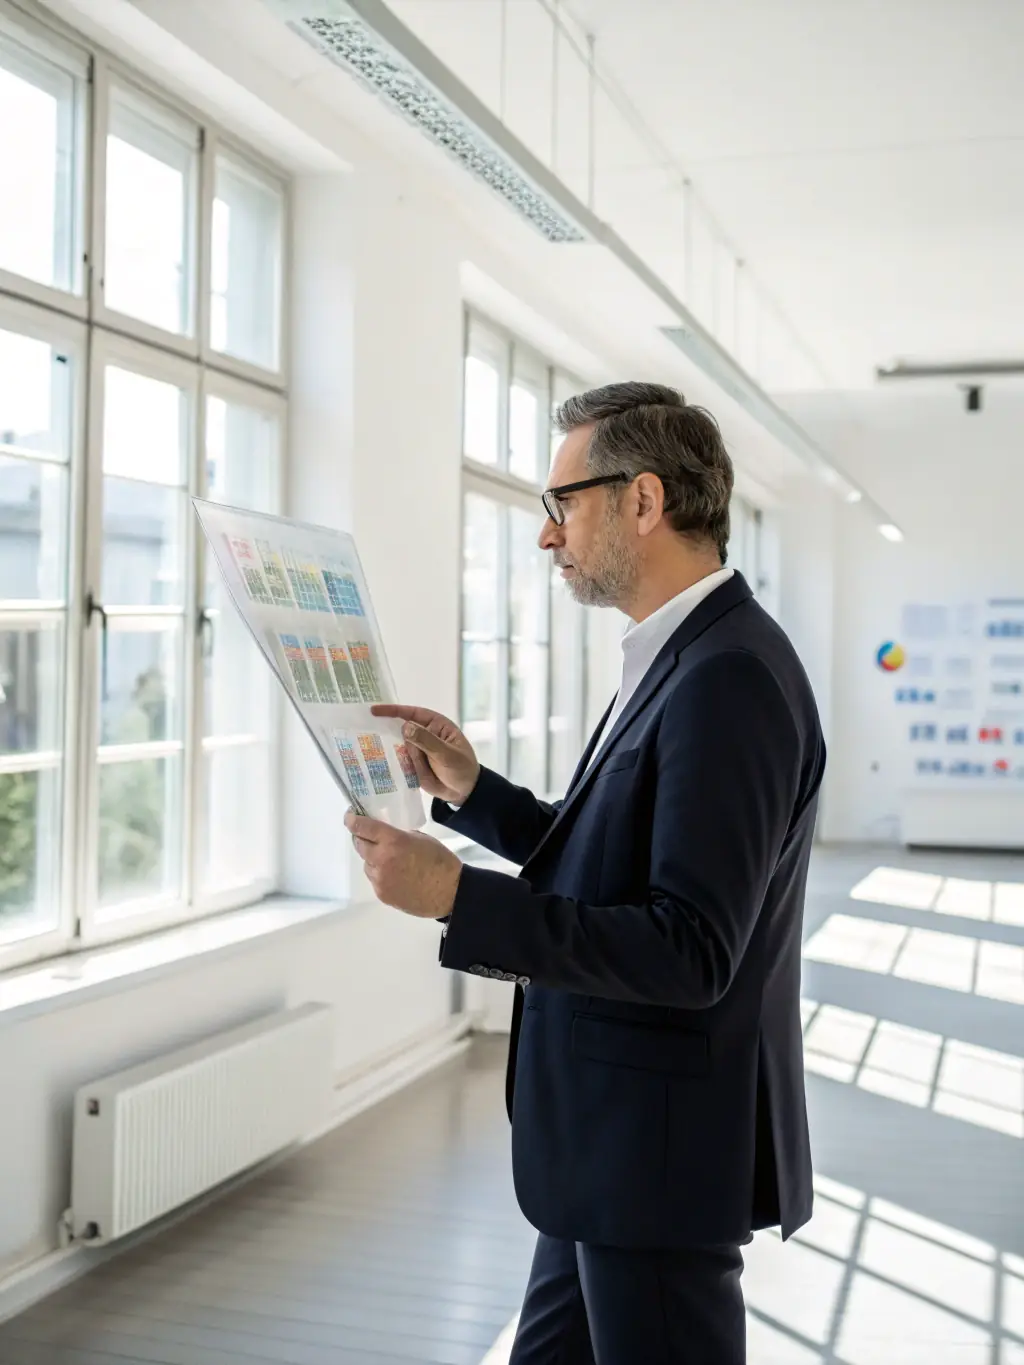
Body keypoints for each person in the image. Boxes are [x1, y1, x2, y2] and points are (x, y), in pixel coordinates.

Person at [345, 382, 826, 1364]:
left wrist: (457, 897)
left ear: (642, 501)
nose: (547, 535)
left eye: (561, 503)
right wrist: (476, 792)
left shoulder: (725, 677)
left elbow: (689, 947)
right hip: (608, 1152)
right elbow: (616, 854)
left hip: (650, 1155)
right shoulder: (687, 652)